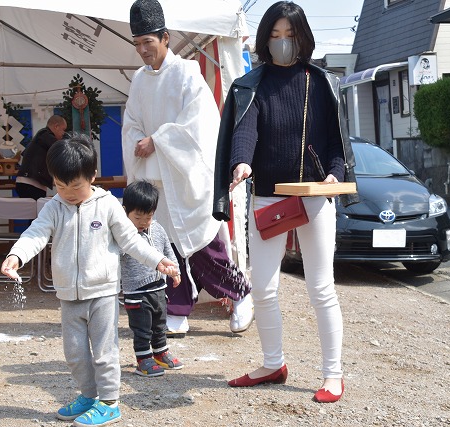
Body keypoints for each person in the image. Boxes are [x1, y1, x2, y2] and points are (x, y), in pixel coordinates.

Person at [213, 1, 359, 403]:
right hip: (269, 196)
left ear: (302, 37)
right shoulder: (252, 84)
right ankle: (272, 363)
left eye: (288, 35)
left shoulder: (321, 82)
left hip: (315, 197)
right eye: (274, 36)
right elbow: (246, 132)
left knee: (321, 287)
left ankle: (333, 375)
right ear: (264, 40)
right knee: (262, 286)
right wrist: (241, 162)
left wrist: (334, 174)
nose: (281, 43)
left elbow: (335, 142)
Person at [1, 133, 178, 427]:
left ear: (92, 176)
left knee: (105, 351)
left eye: (75, 187)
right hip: (68, 296)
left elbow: (131, 241)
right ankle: (88, 395)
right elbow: (36, 233)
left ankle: (109, 403)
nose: (67, 193)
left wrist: (158, 260)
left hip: (103, 294)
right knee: (74, 352)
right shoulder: (54, 207)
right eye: (59, 185)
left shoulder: (107, 205)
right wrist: (16, 255)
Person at [122, 0, 254, 337]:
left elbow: (199, 126)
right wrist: (142, 141)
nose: (142, 51)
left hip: (185, 179)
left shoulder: (187, 74)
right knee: (165, 250)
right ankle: (178, 307)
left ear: (165, 38)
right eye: (137, 44)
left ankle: (240, 295)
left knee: (204, 248)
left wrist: (157, 141)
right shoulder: (138, 81)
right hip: (157, 182)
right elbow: (130, 125)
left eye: (147, 43)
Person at [120, 180, 184, 377]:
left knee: (159, 324)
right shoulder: (123, 235)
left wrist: (176, 270)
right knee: (142, 328)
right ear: (125, 211)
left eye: (148, 216)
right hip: (136, 293)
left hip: (158, 288)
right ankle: (143, 359)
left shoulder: (157, 228)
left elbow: (168, 251)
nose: (144, 222)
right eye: (138, 216)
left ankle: (160, 353)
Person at [15, 115, 67, 200]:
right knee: (36, 212)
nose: (64, 133)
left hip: (29, 183)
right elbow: (60, 149)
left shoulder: (41, 136)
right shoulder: (45, 135)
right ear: (56, 126)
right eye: (63, 129)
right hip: (31, 184)